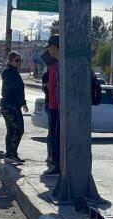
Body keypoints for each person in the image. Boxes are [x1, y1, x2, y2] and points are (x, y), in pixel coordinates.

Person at [0, 51, 28, 164]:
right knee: (18, 129)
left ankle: (10, 154)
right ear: (10, 61)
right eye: (17, 60)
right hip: (12, 106)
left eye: (20, 60)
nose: (19, 63)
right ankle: (12, 154)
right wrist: (23, 103)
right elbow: (17, 91)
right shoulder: (13, 74)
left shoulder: (9, 72)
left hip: (7, 105)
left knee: (11, 130)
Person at [45, 34, 60, 176]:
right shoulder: (55, 65)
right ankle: (55, 162)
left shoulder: (55, 66)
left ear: (54, 46)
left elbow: (51, 86)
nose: (48, 51)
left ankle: (56, 164)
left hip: (56, 105)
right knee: (55, 135)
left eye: (49, 47)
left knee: (56, 136)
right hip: (55, 105)